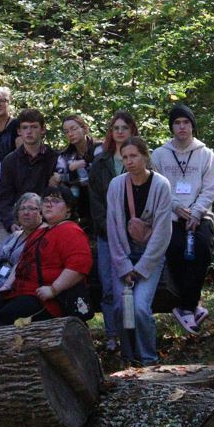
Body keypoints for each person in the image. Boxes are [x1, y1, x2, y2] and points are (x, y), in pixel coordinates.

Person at [106, 138, 173, 368]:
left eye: (134, 156)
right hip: (123, 254)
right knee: (120, 307)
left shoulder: (161, 185)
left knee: (140, 308)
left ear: (145, 156)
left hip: (149, 256)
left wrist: (142, 268)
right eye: (125, 157)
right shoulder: (116, 185)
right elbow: (113, 227)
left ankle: (148, 359)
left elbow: (163, 232)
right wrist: (124, 266)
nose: (130, 161)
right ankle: (128, 357)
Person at [150, 105, 214, 334]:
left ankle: (187, 306)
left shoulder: (205, 154)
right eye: (177, 123)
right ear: (171, 127)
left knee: (202, 249)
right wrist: (177, 207)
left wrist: (196, 212)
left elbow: (210, 188)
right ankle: (189, 306)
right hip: (170, 213)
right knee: (176, 249)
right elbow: (157, 187)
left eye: (186, 122)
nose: (182, 127)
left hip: (200, 214)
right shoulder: (159, 154)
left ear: (192, 125)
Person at [0, 188, 92, 326]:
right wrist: (8, 285)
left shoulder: (71, 231)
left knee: (6, 317)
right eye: (46, 201)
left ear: (68, 208)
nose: (49, 204)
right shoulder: (40, 231)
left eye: (55, 201)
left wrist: (53, 289)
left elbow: (78, 267)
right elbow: (22, 261)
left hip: (50, 301)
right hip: (23, 294)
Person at [89, 112, 138, 352]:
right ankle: (111, 335)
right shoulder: (101, 162)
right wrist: (107, 227)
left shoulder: (139, 160)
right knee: (108, 287)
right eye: (115, 128)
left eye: (124, 128)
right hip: (107, 233)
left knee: (130, 287)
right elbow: (95, 201)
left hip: (134, 235)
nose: (119, 132)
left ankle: (131, 334)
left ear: (132, 131)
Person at [0, 109, 58, 242]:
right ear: (19, 131)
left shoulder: (54, 158)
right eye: (25, 128)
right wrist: (11, 223)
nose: (29, 131)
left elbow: (57, 196)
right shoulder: (10, 160)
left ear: (42, 129)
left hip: (46, 219)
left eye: (34, 127)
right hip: (17, 219)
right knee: (3, 252)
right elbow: (4, 198)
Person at [53, 115, 98, 231]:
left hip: (101, 201)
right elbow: (58, 178)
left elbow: (98, 175)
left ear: (85, 129)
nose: (70, 134)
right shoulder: (64, 156)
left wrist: (83, 165)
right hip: (79, 204)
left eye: (74, 129)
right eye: (66, 131)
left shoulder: (99, 148)